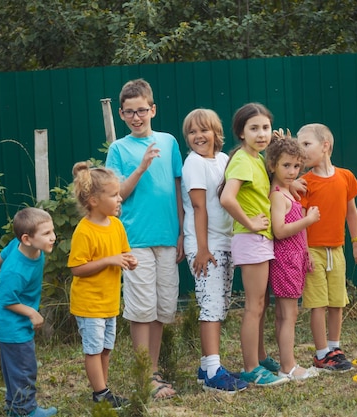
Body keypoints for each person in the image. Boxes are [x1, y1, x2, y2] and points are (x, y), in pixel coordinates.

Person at [105, 78, 183, 400]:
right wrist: (140, 168)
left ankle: (153, 370)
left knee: (163, 307)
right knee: (141, 309)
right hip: (135, 239)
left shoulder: (169, 141)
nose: (137, 117)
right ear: (122, 115)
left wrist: (181, 232)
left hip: (167, 237)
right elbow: (116, 193)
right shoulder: (118, 149)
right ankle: (146, 375)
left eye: (142, 110)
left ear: (153, 109)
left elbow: (177, 188)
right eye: (129, 112)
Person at [219, 103, 288, 387]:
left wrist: (280, 146)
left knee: (262, 303)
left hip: (261, 240)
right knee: (253, 305)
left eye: (265, 128)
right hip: (251, 239)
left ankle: (259, 358)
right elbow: (227, 198)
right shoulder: (242, 160)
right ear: (241, 132)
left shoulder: (258, 159)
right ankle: (250, 368)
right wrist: (249, 223)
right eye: (254, 128)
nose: (261, 134)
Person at [180, 108, 248, 393]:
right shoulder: (194, 163)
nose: (198, 136)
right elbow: (198, 206)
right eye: (192, 132)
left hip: (225, 242)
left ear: (216, 133)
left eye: (204, 130)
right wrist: (202, 249)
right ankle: (212, 372)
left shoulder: (223, 160)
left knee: (220, 304)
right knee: (210, 306)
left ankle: (207, 365)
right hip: (206, 247)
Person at [297, 123, 357, 372]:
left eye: (306, 144)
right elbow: (302, 218)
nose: (301, 150)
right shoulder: (304, 182)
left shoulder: (346, 176)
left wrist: (356, 244)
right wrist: (304, 251)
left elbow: (351, 211)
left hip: (337, 250)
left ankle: (334, 348)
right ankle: (320, 354)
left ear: (325, 146)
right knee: (318, 303)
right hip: (313, 251)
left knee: (337, 301)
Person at [67, 161, 138, 408]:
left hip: (109, 302)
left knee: (106, 349)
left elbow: (123, 253)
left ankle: (103, 391)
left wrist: (129, 260)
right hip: (89, 304)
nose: (120, 199)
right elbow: (77, 268)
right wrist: (109, 260)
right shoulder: (84, 231)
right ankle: (100, 393)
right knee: (94, 350)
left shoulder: (116, 225)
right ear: (94, 200)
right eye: (114, 195)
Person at [0, 207, 58, 417]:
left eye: (52, 231)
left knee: (15, 366)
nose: (53, 237)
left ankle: (14, 407)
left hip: (13, 321)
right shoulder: (15, 271)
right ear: (28, 239)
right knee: (24, 367)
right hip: (13, 323)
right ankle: (26, 410)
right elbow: (7, 300)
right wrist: (31, 312)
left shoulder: (24, 247)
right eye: (46, 234)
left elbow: (8, 248)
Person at [265, 129, 320, 381]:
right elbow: (280, 230)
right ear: (273, 165)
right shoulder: (278, 195)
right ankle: (288, 366)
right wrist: (308, 220)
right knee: (289, 315)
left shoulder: (288, 190)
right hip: (285, 261)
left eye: (297, 166)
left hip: (295, 259)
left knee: (284, 315)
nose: (292, 171)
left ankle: (286, 363)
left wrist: (306, 251)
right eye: (286, 165)